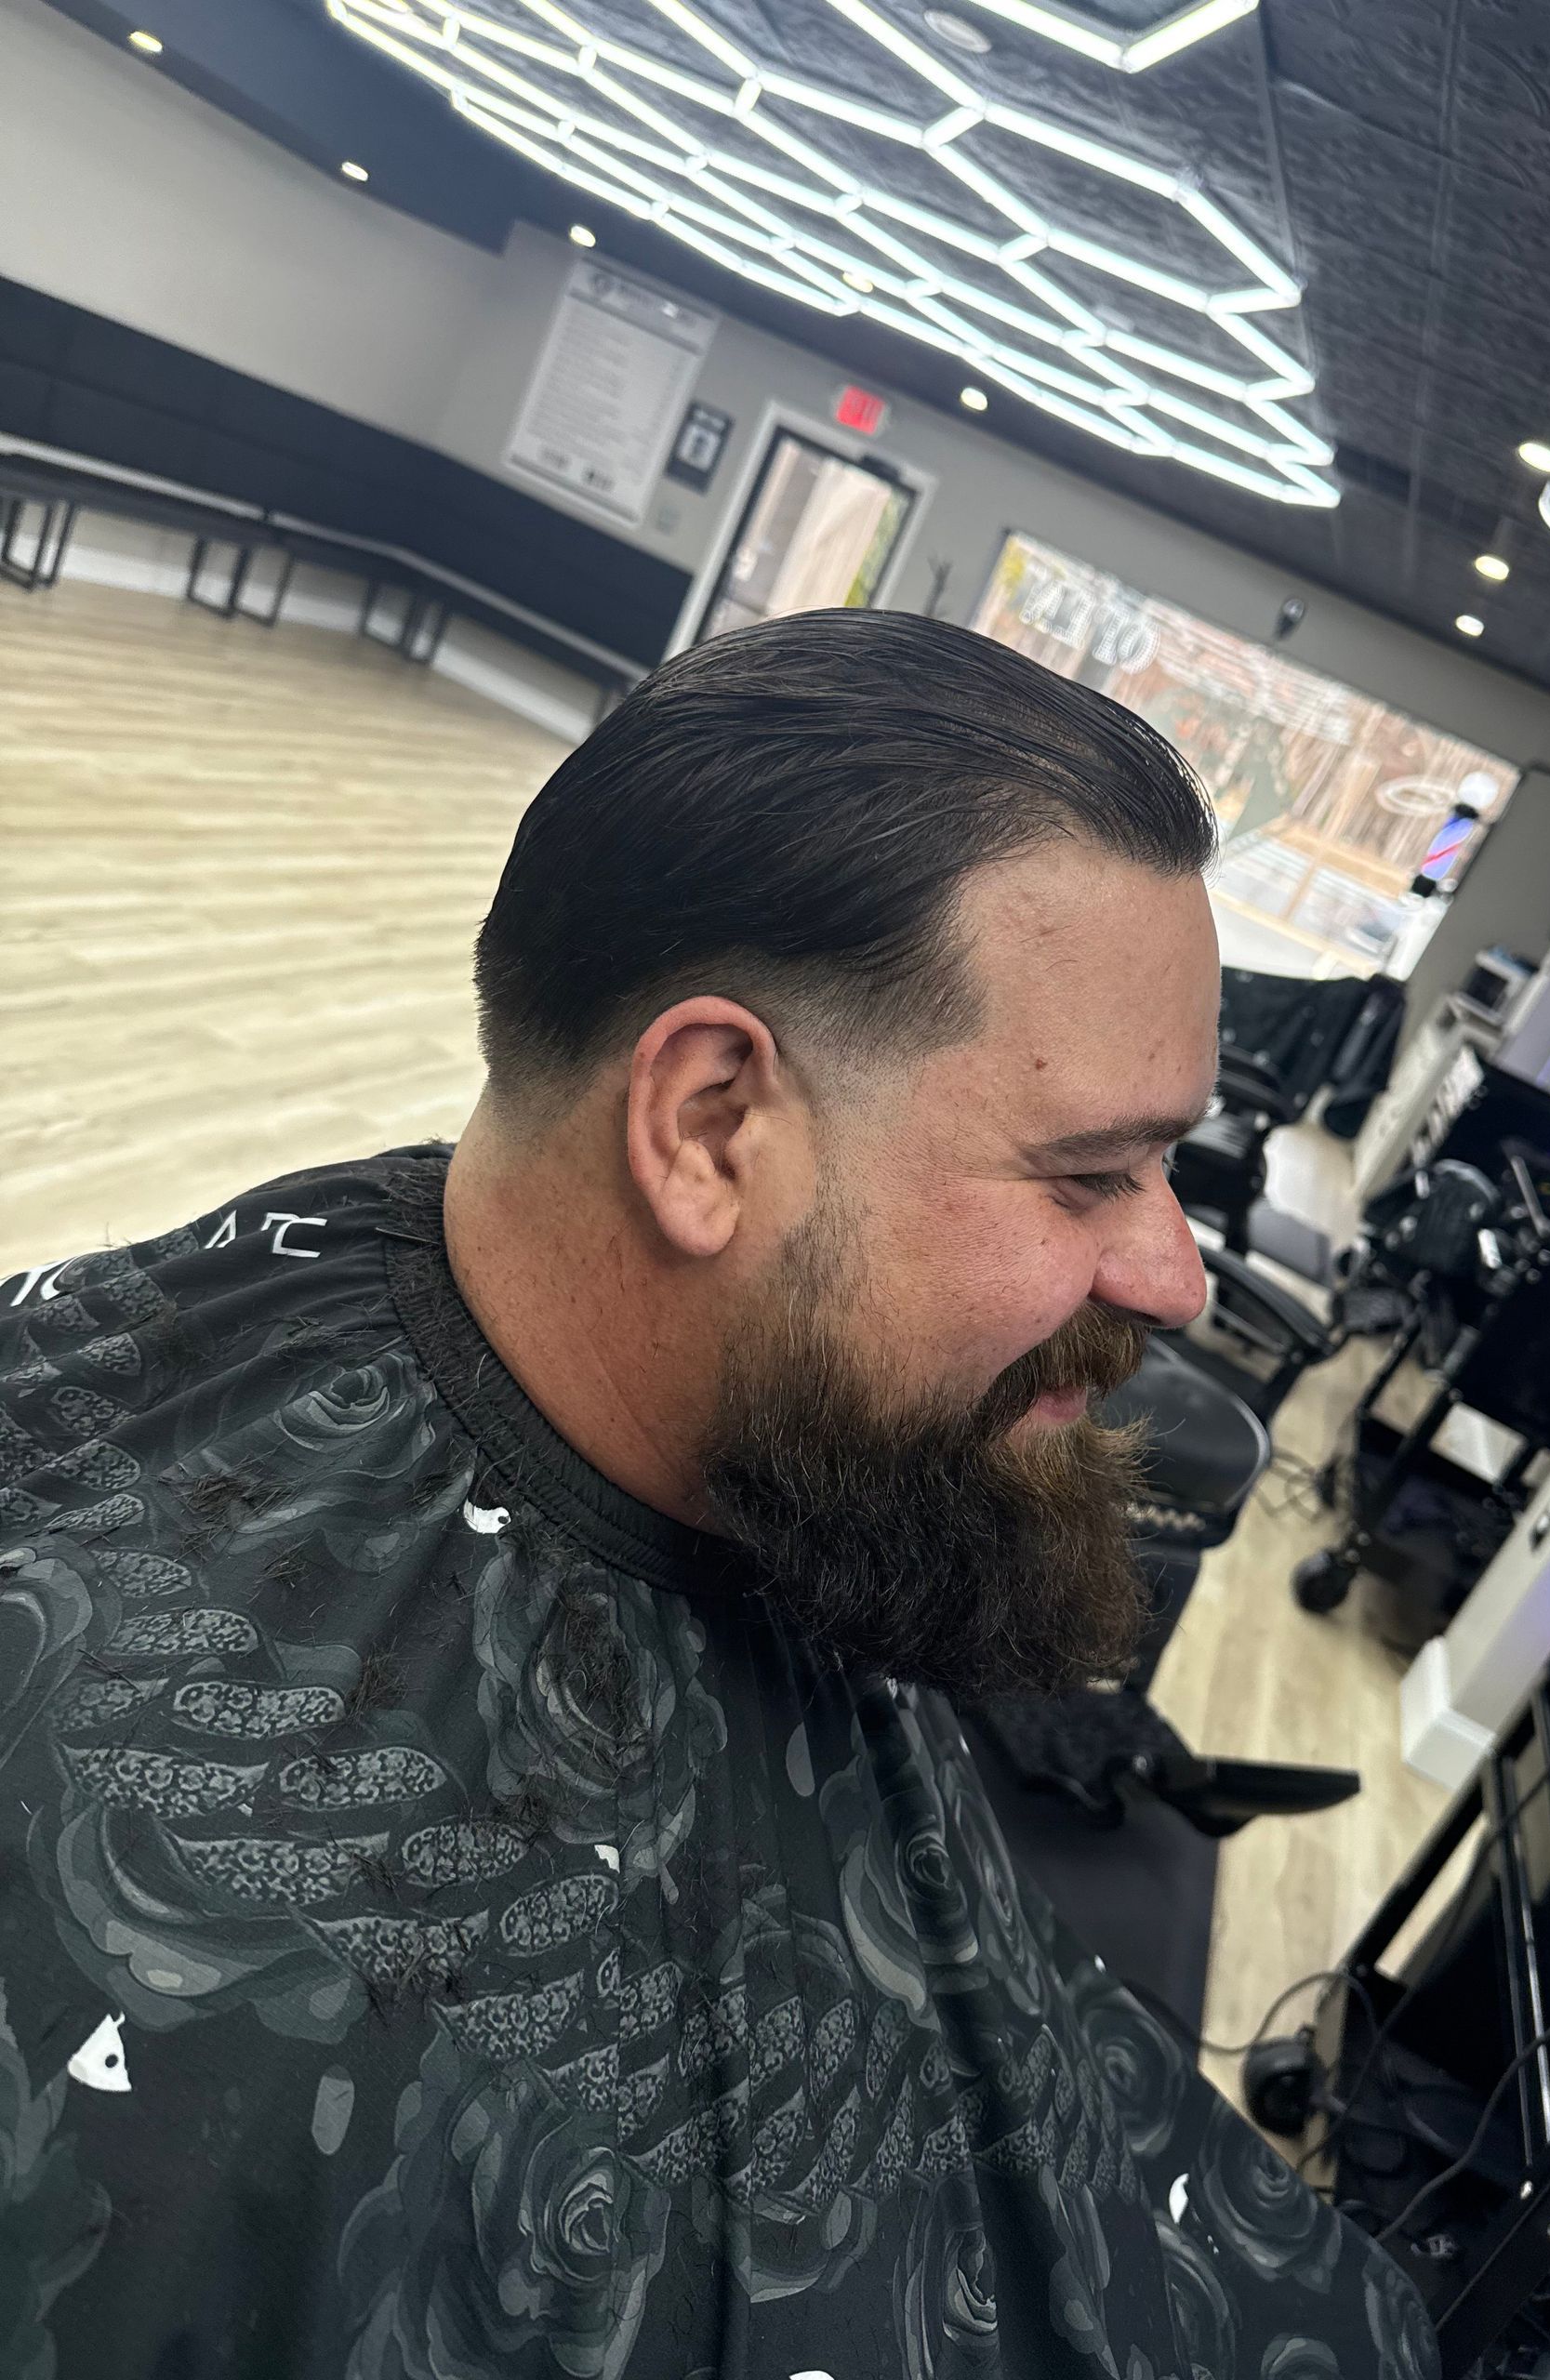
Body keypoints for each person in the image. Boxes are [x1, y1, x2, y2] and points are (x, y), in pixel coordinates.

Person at [0, 611, 1435, 2379]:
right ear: (707, 1124)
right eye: (1092, 1176)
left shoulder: (774, 1435)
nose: (1174, 1272)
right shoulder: (157, 1917)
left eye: (1171, 1167)